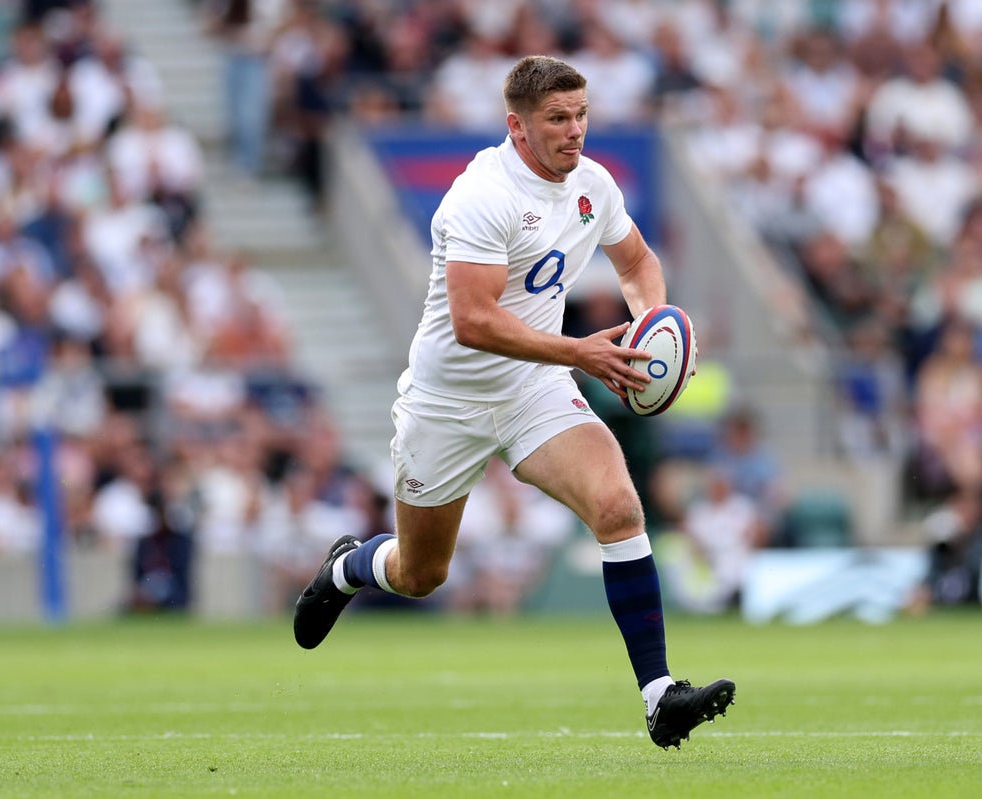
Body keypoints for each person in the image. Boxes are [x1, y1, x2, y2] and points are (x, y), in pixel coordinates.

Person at [291, 54, 734, 749]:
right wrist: (582, 352)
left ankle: (659, 695)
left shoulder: (594, 185)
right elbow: (475, 320)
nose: (575, 130)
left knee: (618, 505)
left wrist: (653, 330)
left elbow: (638, 263)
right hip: (450, 399)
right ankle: (349, 566)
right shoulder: (481, 194)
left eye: (581, 114)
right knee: (420, 572)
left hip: (533, 388)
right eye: (557, 118)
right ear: (517, 127)